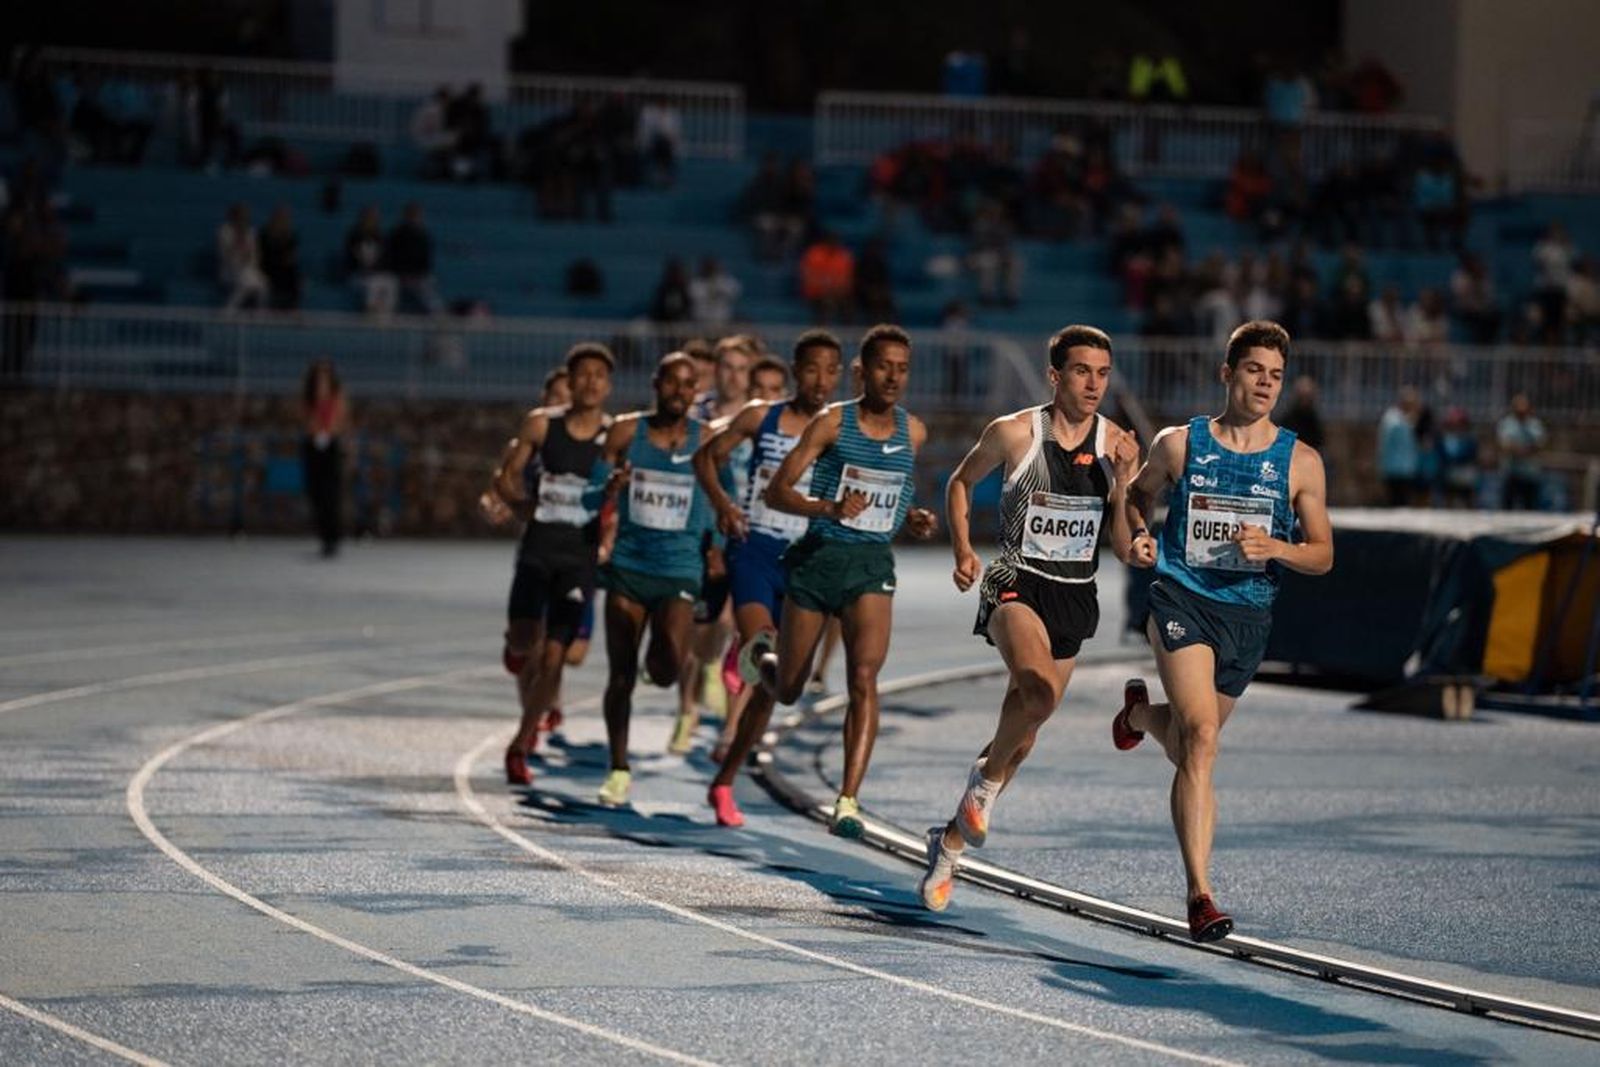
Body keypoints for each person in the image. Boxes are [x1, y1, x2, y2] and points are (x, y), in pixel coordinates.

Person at [1113, 320, 1332, 942]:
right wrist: (1139, 533)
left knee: (1186, 746)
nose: (1265, 384)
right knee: (1204, 739)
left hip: (1248, 617)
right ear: (1227, 373)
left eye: (1275, 376)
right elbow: (1136, 497)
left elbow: (1323, 554)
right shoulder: (1179, 445)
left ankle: (1137, 719)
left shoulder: (1300, 462)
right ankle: (1200, 895)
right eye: (1254, 371)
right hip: (1183, 598)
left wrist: (1278, 547)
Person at [919, 326, 1141, 910]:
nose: (1093, 384)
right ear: (1055, 376)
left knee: (1021, 737)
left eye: (1102, 373)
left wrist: (1123, 486)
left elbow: (1120, 543)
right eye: (1081, 371)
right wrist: (964, 548)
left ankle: (948, 844)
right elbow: (960, 483)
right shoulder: (1015, 433)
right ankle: (984, 788)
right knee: (1037, 691)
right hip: (1014, 579)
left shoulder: (1118, 442)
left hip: (1075, 595)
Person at [724, 324, 938, 836]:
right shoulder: (829, 424)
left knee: (863, 677)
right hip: (818, 560)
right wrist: (829, 508)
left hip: (869, 567)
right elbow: (776, 493)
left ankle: (848, 800)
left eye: (903, 368)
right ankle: (765, 659)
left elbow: (891, 492)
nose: (894, 376)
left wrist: (911, 517)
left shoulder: (914, 432)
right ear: (863, 371)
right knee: (790, 690)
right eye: (884, 366)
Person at [697, 332, 845, 826]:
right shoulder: (761, 416)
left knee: (779, 689)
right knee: (763, 643)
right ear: (794, 371)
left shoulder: (842, 430)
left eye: (830, 371)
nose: (820, 381)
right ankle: (750, 648)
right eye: (811, 370)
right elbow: (705, 458)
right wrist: (723, 507)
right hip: (755, 548)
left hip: (805, 561)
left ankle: (724, 781)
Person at [586, 352, 716, 806]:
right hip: (628, 565)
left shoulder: (707, 440)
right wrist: (608, 487)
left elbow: (722, 498)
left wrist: (716, 545)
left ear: (696, 391)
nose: (680, 392)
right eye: (672, 383)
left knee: (664, 671)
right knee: (620, 676)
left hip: (679, 567)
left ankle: (660, 657)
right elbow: (590, 491)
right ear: (655, 384)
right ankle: (618, 769)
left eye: (689, 385)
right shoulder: (626, 432)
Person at [495, 346, 615, 786]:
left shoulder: (614, 435)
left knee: (556, 655)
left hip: (578, 560)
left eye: (599, 376)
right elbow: (504, 475)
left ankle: (521, 742)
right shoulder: (542, 424)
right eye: (583, 375)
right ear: (572, 379)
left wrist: (610, 534)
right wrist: (520, 505)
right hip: (538, 551)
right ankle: (515, 644)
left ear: (608, 385)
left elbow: (624, 491)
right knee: (527, 642)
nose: (590, 383)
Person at [672, 336, 755, 753]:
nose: (733, 375)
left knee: (738, 627)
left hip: (751, 533)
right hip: (705, 531)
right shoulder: (698, 415)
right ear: (716, 369)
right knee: (698, 635)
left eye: (742, 368)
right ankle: (687, 709)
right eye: (727, 367)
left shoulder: (761, 416)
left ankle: (729, 729)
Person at [301, 360, 349, 558]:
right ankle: (323, 537)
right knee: (316, 493)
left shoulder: (337, 397)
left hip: (331, 445)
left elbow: (341, 420)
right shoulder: (308, 398)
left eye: (325, 376)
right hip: (313, 445)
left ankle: (333, 538)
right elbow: (305, 420)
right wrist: (317, 431)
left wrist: (327, 432)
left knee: (331, 494)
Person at [1497, 393, 1546, 511]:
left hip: (1530, 473)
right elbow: (1504, 444)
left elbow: (1539, 444)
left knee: (1530, 508)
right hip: (1511, 472)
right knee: (1507, 508)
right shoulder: (1507, 424)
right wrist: (1521, 450)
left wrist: (1522, 450)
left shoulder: (1535, 425)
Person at [217, 203, 267, 311]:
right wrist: (239, 240)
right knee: (245, 283)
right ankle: (228, 311)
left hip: (248, 269)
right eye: (240, 216)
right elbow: (225, 254)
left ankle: (260, 313)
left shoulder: (251, 232)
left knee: (263, 285)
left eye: (245, 217)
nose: (243, 219)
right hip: (230, 269)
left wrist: (249, 258)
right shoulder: (225, 231)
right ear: (234, 216)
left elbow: (254, 254)